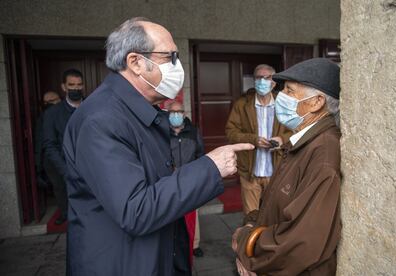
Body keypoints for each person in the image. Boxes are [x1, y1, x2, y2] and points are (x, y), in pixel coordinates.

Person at [63, 17, 254, 276]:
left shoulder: (137, 111)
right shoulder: (102, 119)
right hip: (121, 263)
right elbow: (136, 210)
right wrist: (210, 167)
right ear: (136, 62)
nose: (178, 67)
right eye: (170, 57)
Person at [232, 58, 341, 275]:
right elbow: (275, 207)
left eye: (290, 91)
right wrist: (250, 225)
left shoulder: (323, 153)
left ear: (316, 102)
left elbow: (301, 242)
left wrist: (246, 246)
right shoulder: (303, 141)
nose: (281, 96)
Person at [225, 64, 291, 215]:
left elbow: (296, 131)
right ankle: (252, 239)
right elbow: (231, 132)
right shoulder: (242, 105)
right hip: (250, 172)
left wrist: (282, 139)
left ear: (273, 82)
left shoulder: (284, 104)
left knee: (274, 216)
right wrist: (253, 139)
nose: (262, 81)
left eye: (266, 77)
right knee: (251, 217)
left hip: (276, 171)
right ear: (254, 81)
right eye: (258, 77)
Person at [42, 69, 84, 225]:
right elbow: (49, 145)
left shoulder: (93, 105)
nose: (76, 88)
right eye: (71, 85)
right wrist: (66, 172)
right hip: (67, 171)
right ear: (64, 87)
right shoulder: (53, 113)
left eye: (79, 85)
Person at [168, 101, 205, 260]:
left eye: (179, 111)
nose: (176, 115)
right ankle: (172, 243)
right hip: (169, 180)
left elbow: (200, 155)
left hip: (189, 179)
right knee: (170, 212)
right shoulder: (163, 132)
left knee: (192, 213)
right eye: (172, 112)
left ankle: (194, 244)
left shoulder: (193, 132)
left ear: (184, 114)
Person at [34, 91, 61, 189]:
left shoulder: (65, 113)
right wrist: (38, 165)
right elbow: (39, 141)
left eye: (51, 101)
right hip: (52, 159)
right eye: (45, 102)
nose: (60, 101)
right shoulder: (43, 118)